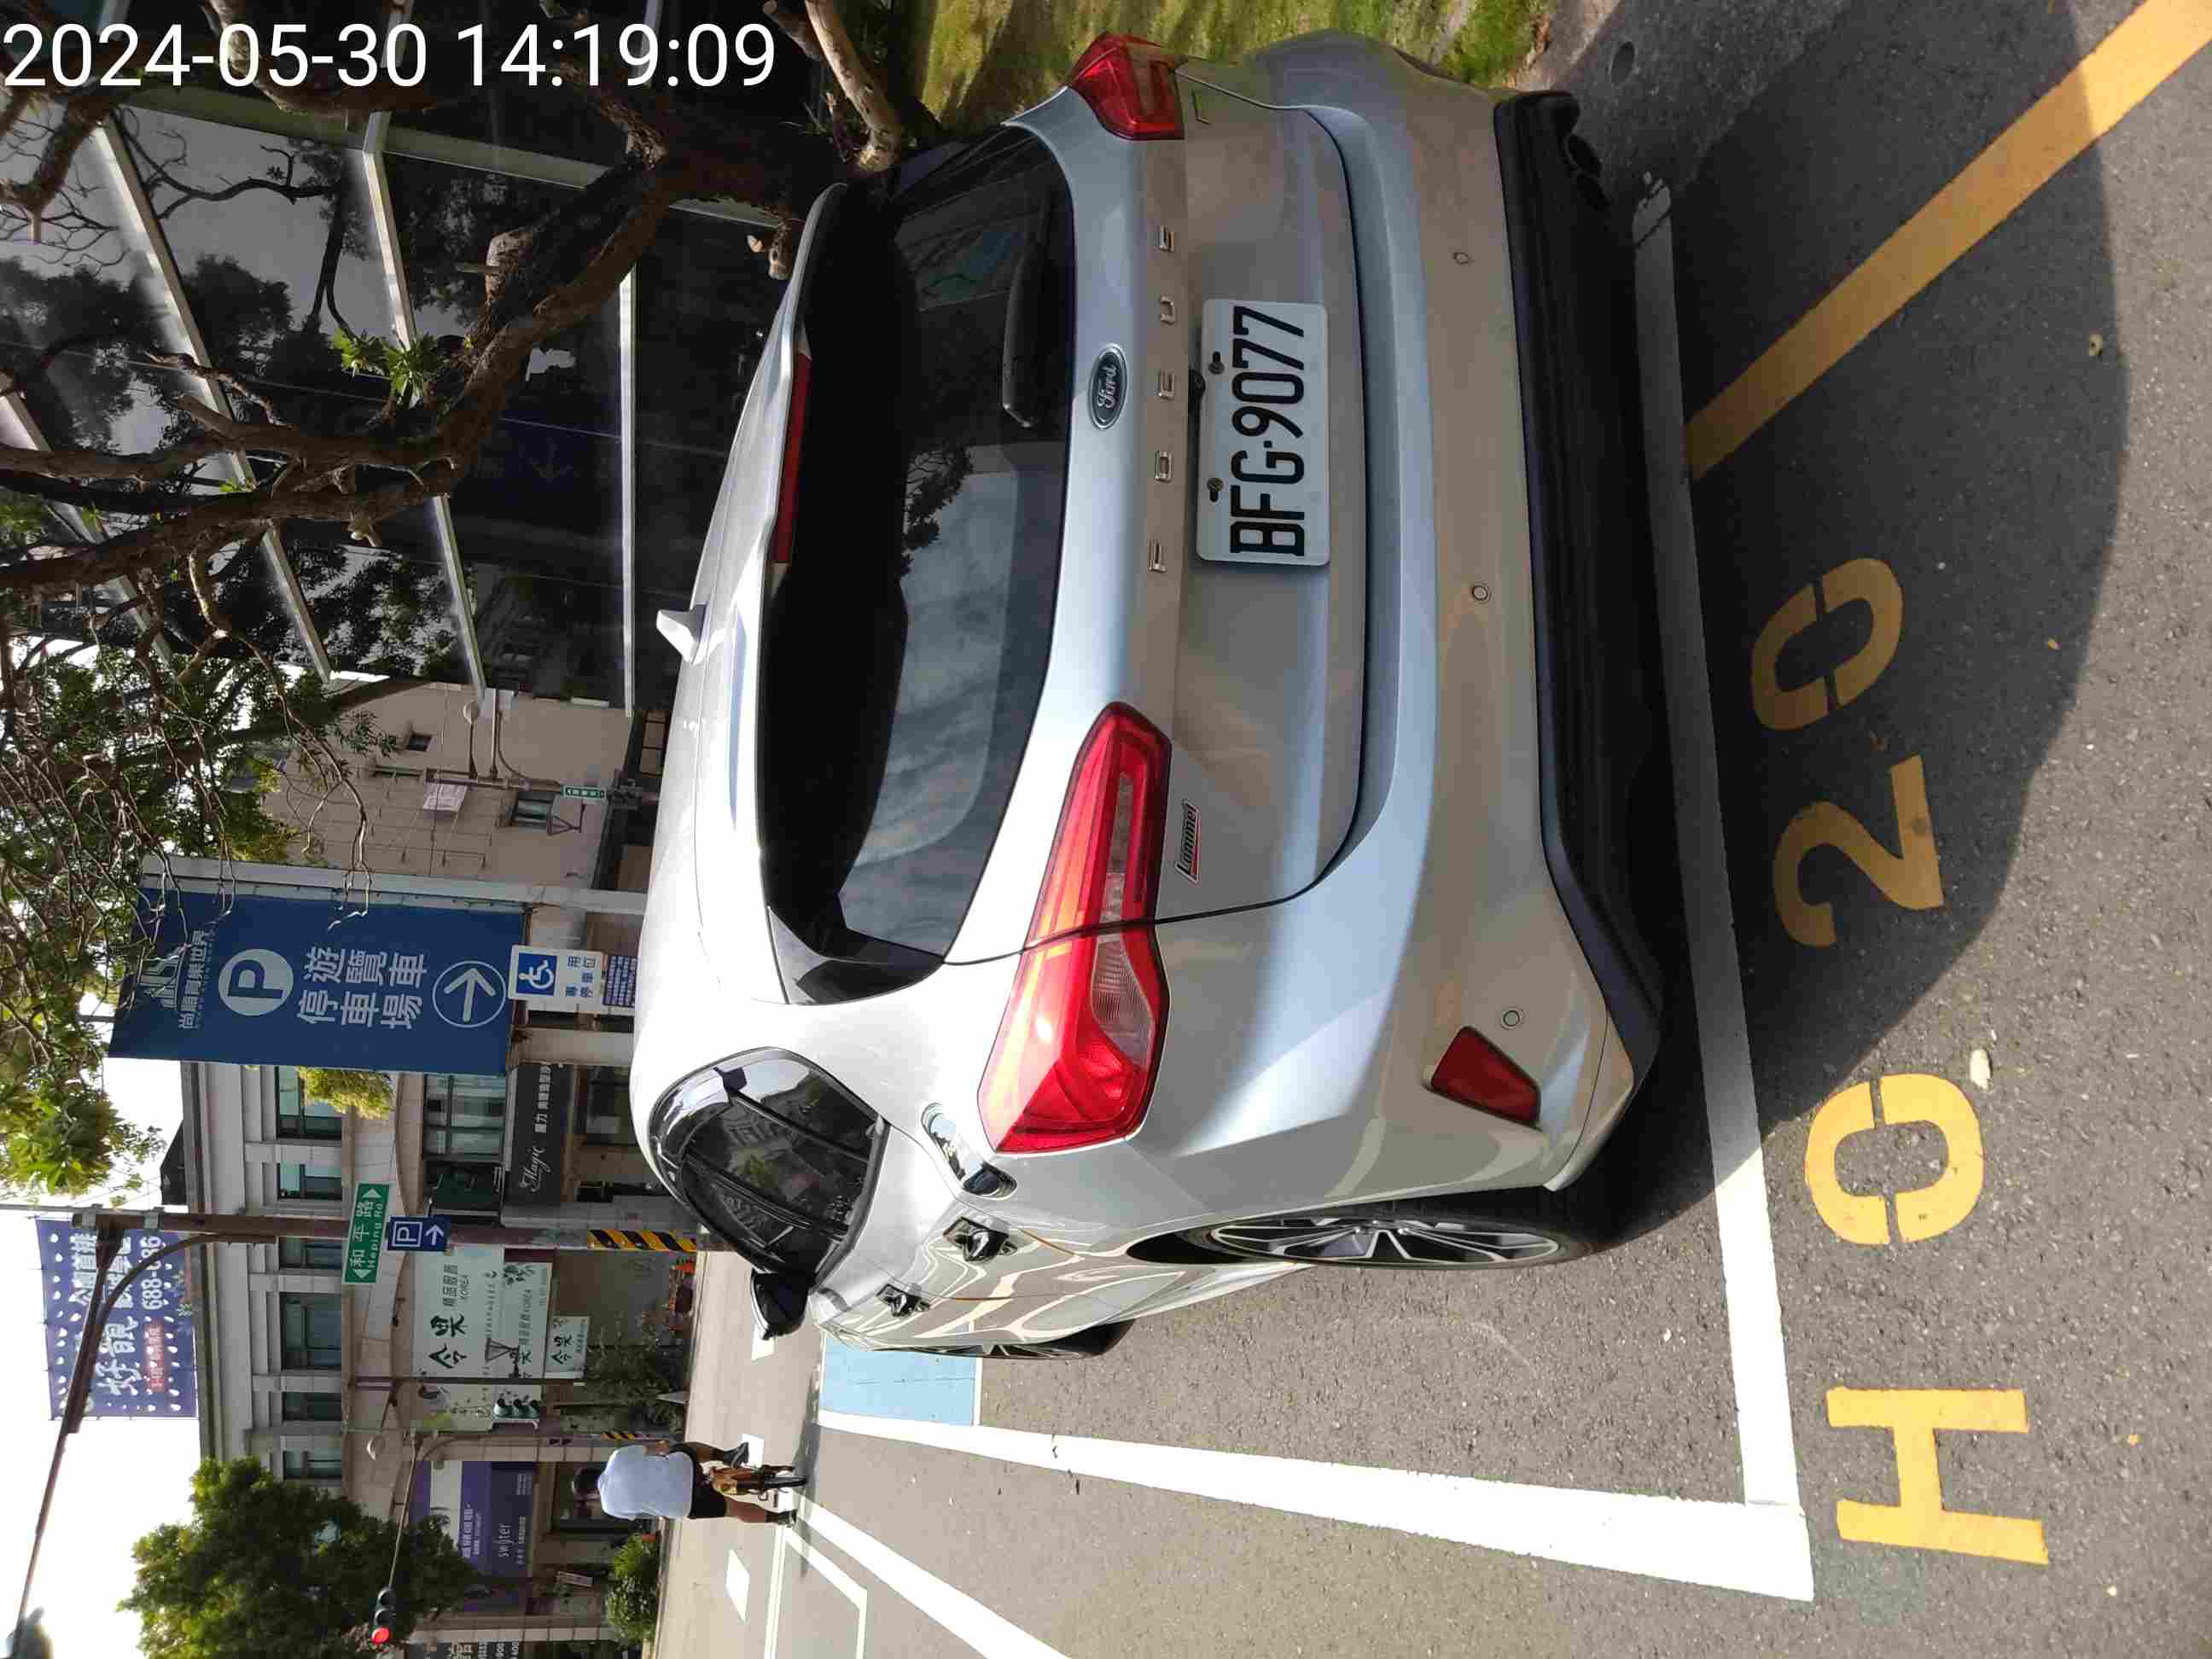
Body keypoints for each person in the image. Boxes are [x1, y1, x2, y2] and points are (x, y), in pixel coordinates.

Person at [576, 1441, 800, 1526]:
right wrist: (664, 1448)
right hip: (684, 1467)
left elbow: (643, 1513)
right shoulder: (616, 1458)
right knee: (684, 1449)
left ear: (591, 1494)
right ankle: (727, 1456)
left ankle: (780, 1518)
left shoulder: (609, 1507)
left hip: (683, 1504)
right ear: (595, 1469)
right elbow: (656, 1448)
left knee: (734, 1510)